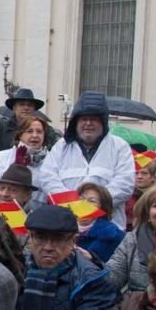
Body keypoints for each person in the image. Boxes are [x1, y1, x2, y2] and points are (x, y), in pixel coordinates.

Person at [19, 204, 118, 310]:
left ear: (73, 240)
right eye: (40, 237)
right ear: (30, 237)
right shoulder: (15, 269)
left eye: (58, 239)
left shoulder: (93, 281)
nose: (48, 247)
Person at [40, 91, 135, 229]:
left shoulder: (119, 146)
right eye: (84, 119)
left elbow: (125, 184)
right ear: (76, 122)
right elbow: (47, 178)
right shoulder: (61, 146)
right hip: (67, 227)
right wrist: (74, 204)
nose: (88, 123)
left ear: (103, 122)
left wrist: (94, 204)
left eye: (94, 119)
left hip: (108, 229)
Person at [0, 116, 49, 208]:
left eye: (39, 132)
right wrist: (15, 166)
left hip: (38, 216)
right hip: (4, 214)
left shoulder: (52, 160)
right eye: (29, 131)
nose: (35, 135)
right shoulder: (1, 157)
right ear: (20, 134)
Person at [0, 86, 56, 153]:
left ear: (34, 109)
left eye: (29, 105)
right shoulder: (2, 128)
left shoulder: (45, 130)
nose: (26, 108)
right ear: (14, 108)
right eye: (22, 104)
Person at [74, 182, 125, 262]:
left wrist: (92, 259)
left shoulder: (113, 235)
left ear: (102, 207)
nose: (84, 204)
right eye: (81, 199)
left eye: (92, 201)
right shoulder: (62, 229)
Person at [125, 156, 156, 227]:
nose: (139, 176)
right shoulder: (126, 193)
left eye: (144, 173)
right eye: (136, 173)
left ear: (153, 178)